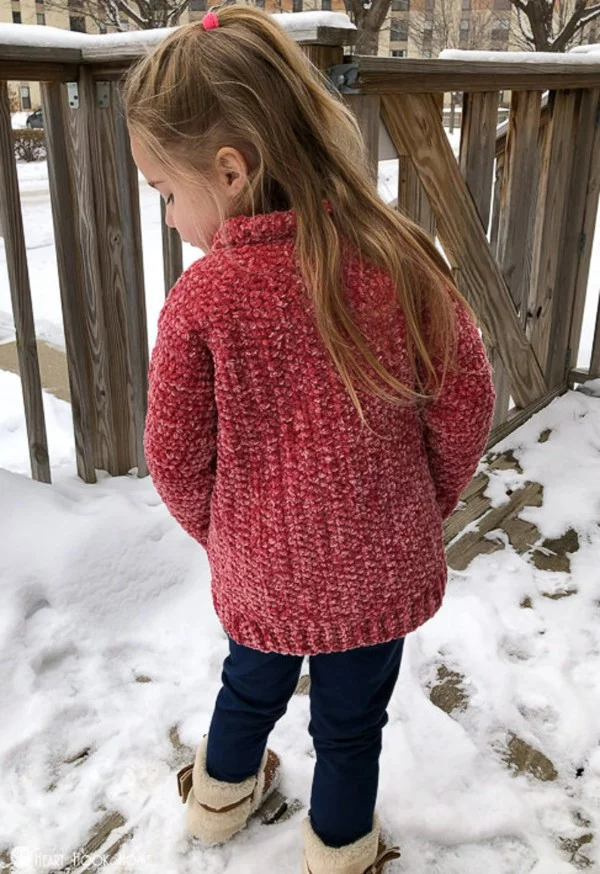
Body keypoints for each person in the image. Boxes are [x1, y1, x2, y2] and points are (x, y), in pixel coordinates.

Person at [123, 5, 496, 872]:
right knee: (351, 726)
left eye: (166, 192)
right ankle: (340, 853)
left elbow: (175, 458)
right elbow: (464, 404)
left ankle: (218, 807)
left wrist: (233, 537)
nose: (171, 214)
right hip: (380, 561)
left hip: (263, 568)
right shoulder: (400, 257)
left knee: (248, 686)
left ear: (230, 169)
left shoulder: (205, 298)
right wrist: (416, 503)